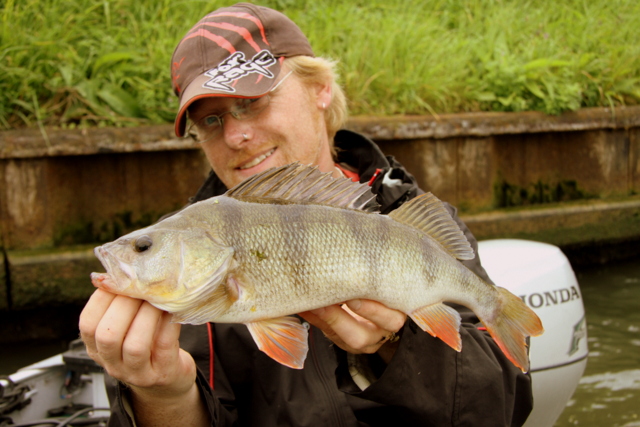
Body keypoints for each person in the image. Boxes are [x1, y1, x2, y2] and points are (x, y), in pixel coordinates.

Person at [79, 3, 534, 426]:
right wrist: (163, 396)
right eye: (211, 121)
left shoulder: (406, 218)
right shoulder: (187, 268)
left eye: (252, 101)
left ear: (320, 90)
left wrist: (397, 346)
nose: (236, 134)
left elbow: (500, 406)